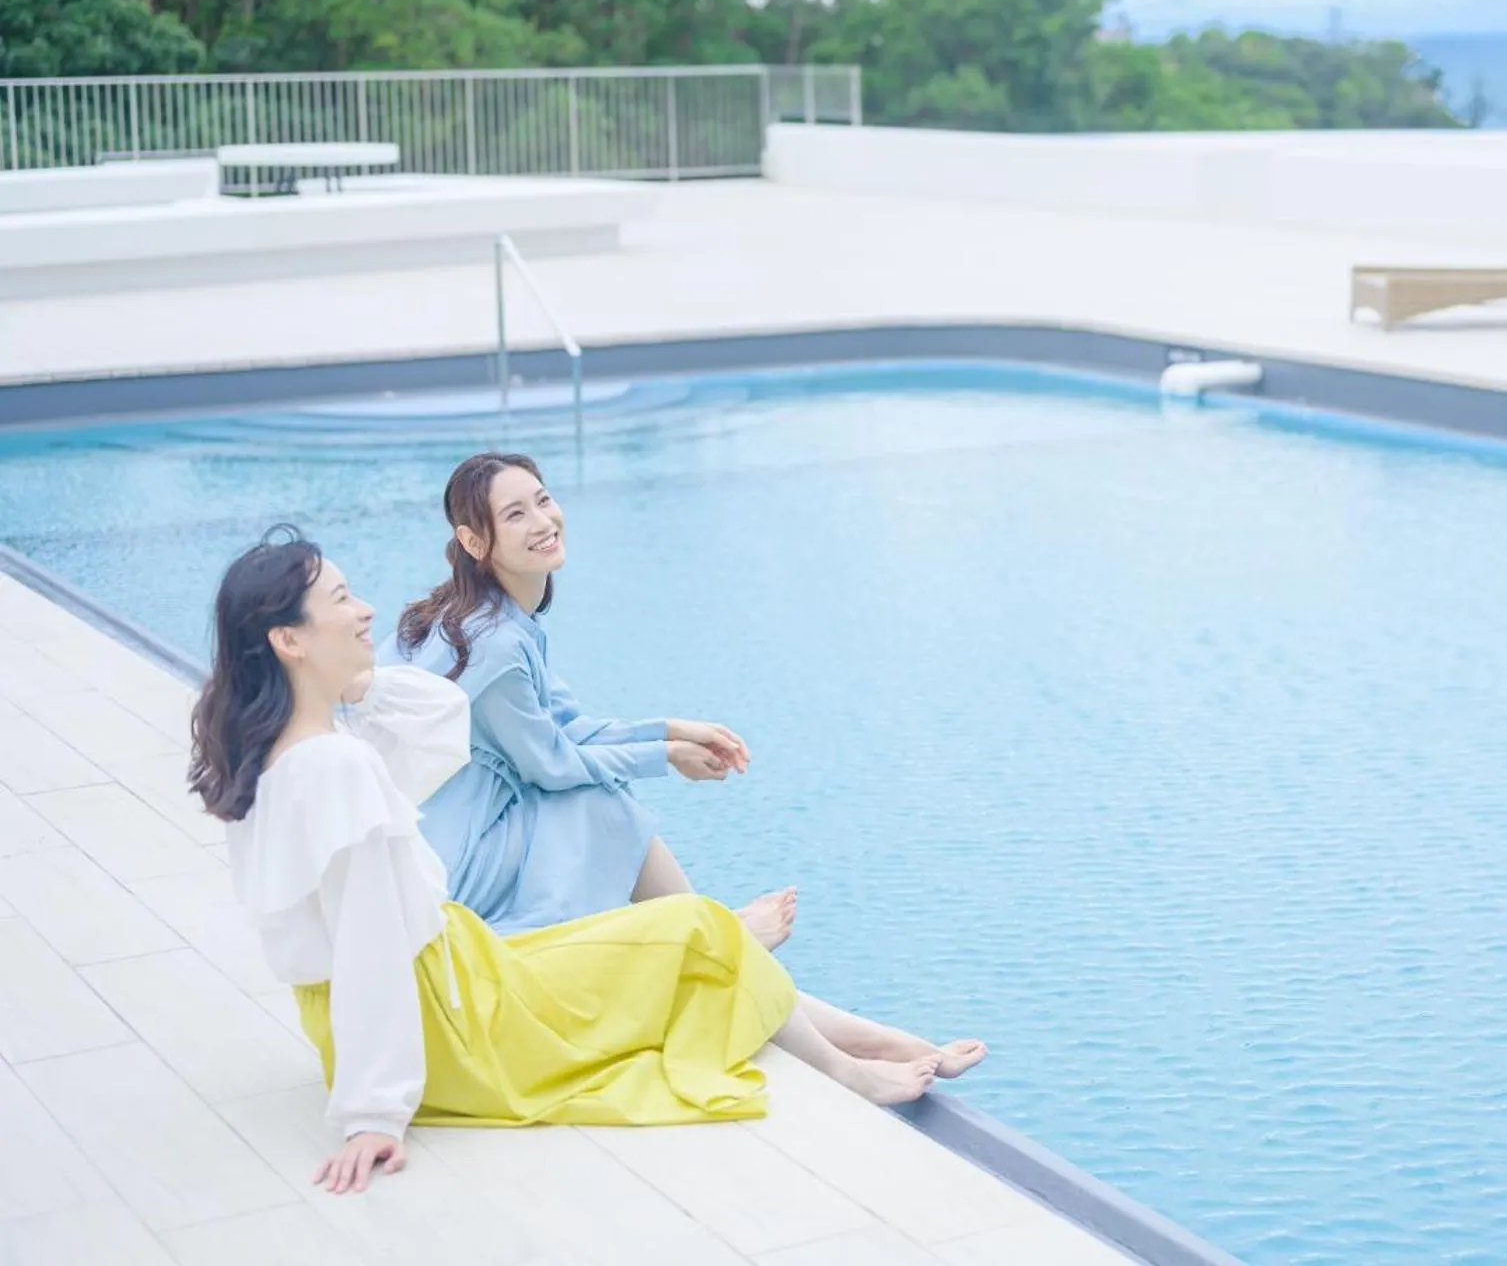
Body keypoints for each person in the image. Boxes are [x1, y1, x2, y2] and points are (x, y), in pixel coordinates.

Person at [191, 530, 984, 1194]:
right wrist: (373, 1112)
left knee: (690, 942)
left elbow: (439, 721)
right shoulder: (334, 769)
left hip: (456, 981)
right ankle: (851, 1072)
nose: (364, 610)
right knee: (699, 934)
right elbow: (368, 949)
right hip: (457, 1024)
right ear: (287, 639)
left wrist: (352, 687)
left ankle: (871, 1041)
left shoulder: (289, 753)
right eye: (339, 601)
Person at [389, 451, 795, 943]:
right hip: (453, 864)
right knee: (599, 800)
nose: (543, 522)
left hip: (440, 841)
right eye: (515, 515)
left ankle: (710, 934)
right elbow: (552, 765)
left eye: (543, 500)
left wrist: (671, 730)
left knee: (595, 790)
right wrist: (665, 756)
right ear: (473, 541)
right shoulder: (494, 645)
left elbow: (565, 727)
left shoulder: (483, 615)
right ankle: (715, 941)